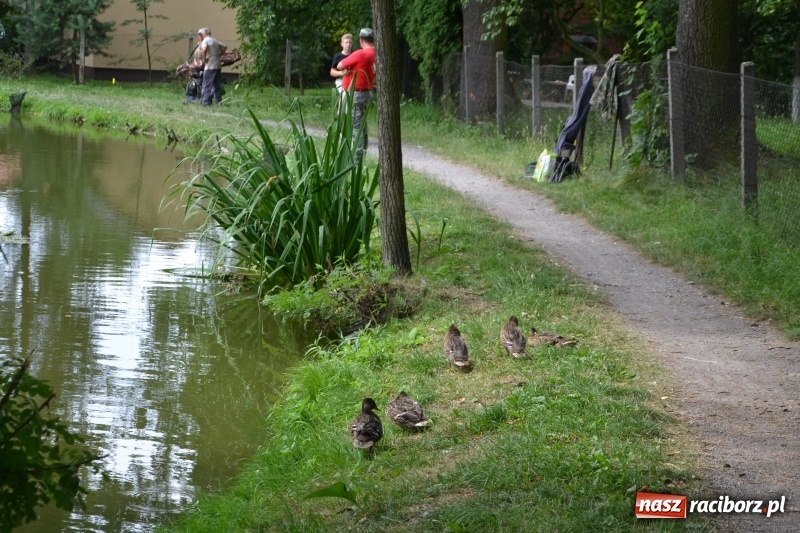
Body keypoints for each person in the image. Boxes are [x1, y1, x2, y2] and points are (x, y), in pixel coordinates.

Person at [337, 28, 376, 163]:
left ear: (361, 40)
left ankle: (356, 162)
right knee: (362, 125)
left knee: (356, 129)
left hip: (356, 94)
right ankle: (363, 153)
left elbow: (340, 65)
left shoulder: (361, 54)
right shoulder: (377, 53)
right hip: (368, 93)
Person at [197, 27, 227, 106]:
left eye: (199, 35)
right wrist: (219, 54)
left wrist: (204, 59)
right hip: (218, 65)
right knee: (217, 85)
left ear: (202, 35)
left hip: (210, 66)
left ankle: (205, 103)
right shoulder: (214, 40)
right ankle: (219, 103)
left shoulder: (205, 41)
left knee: (206, 85)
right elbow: (224, 47)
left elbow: (204, 49)